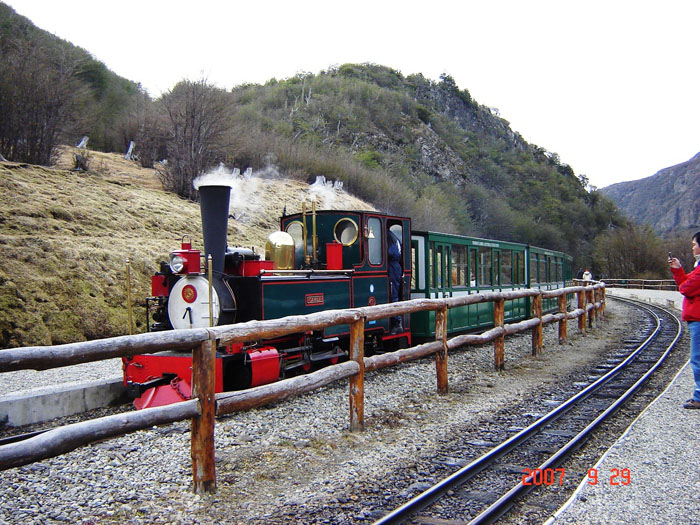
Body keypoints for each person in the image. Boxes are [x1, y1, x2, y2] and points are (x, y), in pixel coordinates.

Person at [669, 231, 700, 409]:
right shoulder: (698, 267)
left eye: (695, 244)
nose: (693, 247)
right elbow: (687, 282)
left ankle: (699, 396)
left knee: (697, 359)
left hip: (698, 320)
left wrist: (683, 282)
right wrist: (678, 269)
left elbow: (687, 287)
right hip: (695, 319)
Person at [387, 229, 403, 333]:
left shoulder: (391, 238)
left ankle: (397, 322)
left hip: (393, 267)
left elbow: (392, 252)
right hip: (394, 266)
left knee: (393, 295)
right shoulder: (393, 237)